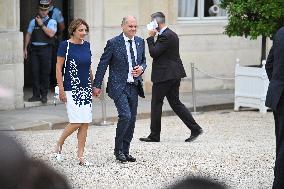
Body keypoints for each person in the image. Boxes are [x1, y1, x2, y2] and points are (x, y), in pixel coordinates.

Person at [139, 12, 203, 143]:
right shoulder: (170, 34)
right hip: (173, 74)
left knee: (156, 103)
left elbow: (154, 53)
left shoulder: (166, 36)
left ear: (156, 22)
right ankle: (195, 128)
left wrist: (151, 38)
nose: (151, 26)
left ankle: (154, 135)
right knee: (175, 103)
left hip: (165, 75)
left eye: (152, 23)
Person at [93, 15, 147, 163]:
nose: (133, 29)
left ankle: (126, 151)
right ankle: (118, 150)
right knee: (125, 116)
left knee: (132, 119)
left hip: (134, 86)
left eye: (135, 26)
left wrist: (141, 68)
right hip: (118, 86)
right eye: (130, 26)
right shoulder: (113, 43)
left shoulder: (140, 42)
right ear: (122, 26)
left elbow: (144, 61)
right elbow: (103, 64)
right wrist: (97, 85)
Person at [54, 18, 93, 166]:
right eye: (80, 30)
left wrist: (94, 85)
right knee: (76, 121)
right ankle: (59, 142)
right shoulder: (65, 46)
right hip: (71, 88)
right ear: (73, 31)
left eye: (85, 30)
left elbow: (89, 67)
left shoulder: (87, 45)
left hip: (86, 88)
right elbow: (58, 68)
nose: (84, 33)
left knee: (85, 123)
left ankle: (80, 156)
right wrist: (61, 89)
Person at [23, 0, 57, 103]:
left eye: (45, 10)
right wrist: (25, 48)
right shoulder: (33, 21)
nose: (43, 12)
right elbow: (28, 34)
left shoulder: (52, 22)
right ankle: (36, 95)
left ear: (48, 10)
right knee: (35, 72)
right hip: (34, 50)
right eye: (41, 10)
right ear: (39, 9)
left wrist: (41, 24)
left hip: (46, 49)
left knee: (45, 73)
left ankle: (44, 95)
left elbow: (51, 34)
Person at [265, 27, 284, 189]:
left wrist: (278, 84)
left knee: (281, 140)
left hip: (277, 94)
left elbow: (269, 64)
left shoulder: (280, 32)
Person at [48, 0, 65, 88]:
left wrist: (55, 35)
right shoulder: (40, 11)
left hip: (54, 41)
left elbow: (62, 27)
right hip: (43, 42)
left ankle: (55, 84)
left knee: (55, 62)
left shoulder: (56, 12)